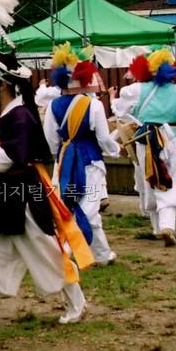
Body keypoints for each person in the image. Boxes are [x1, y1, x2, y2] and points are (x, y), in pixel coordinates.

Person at [0, 48, 92, 333]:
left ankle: (77, 303)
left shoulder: (20, 117)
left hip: (23, 197)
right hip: (1, 197)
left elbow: (8, 159)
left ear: (3, 84)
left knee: (48, 254)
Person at [110, 48, 176, 247]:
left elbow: (120, 109)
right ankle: (167, 225)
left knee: (150, 179)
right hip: (169, 139)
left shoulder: (136, 89)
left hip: (144, 139)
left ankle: (156, 227)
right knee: (171, 179)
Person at [42, 44, 121, 266]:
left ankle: (102, 255)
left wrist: (60, 155)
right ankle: (66, 252)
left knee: (71, 208)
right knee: (88, 210)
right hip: (90, 162)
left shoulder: (53, 106)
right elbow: (104, 138)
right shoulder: (93, 105)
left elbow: (50, 139)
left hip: (65, 162)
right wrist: (114, 151)